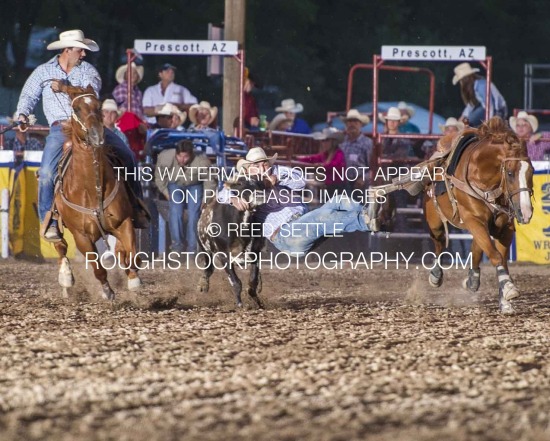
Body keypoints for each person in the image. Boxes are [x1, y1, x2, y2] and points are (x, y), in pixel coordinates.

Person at [15, 29, 145, 241]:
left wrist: (65, 87)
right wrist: (22, 115)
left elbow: (90, 92)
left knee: (127, 155)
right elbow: (28, 95)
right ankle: (49, 222)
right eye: (80, 50)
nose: (84, 54)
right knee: (47, 173)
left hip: (88, 126)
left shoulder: (88, 71)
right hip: (60, 128)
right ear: (67, 50)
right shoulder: (42, 72)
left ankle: (137, 206)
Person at [218, 147, 380, 256]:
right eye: (256, 166)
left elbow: (300, 180)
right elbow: (221, 194)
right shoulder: (243, 182)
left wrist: (277, 179)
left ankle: (371, 216)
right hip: (286, 235)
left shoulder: (278, 171)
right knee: (325, 217)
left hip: (302, 222)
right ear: (247, 169)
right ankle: (366, 222)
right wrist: (232, 198)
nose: (262, 169)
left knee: (340, 200)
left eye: (264, 164)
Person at [155, 140, 216, 253]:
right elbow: (159, 177)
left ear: (191, 155)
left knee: (194, 214)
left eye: (186, 157)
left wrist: (206, 198)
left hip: (195, 185)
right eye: (180, 156)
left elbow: (210, 180)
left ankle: (192, 250)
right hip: (175, 184)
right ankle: (176, 248)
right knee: (175, 211)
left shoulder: (202, 161)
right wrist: (165, 192)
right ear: (176, 154)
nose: (182, 160)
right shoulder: (165, 158)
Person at [295, 128, 346, 197]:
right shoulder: (325, 154)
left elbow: (334, 165)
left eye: (326, 141)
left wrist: (321, 165)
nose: (324, 143)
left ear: (333, 142)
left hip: (339, 188)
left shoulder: (339, 154)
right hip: (329, 187)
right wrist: (298, 159)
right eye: (322, 141)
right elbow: (313, 158)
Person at [453, 62, 507, 127]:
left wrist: (489, 122)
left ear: (464, 80)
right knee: (469, 121)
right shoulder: (476, 86)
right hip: (491, 110)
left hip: (498, 111)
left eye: (461, 81)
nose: (461, 83)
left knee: (470, 122)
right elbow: (471, 105)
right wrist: (462, 118)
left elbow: (490, 106)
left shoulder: (481, 85)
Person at [339, 109, 373, 192]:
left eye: (355, 121)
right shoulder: (342, 142)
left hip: (360, 183)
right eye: (349, 121)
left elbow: (373, 167)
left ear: (360, 124)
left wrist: (363, 178)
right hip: (343, 182)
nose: (352, 124)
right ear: (346, 124)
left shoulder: (367, 143)